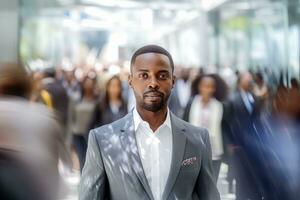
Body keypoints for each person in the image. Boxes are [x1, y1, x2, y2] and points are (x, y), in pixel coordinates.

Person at [79, 45, 220, 200]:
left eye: (162, 76)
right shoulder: (102, 140)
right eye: (144, 76)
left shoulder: (198, 139)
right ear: (130, 81)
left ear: (173, 81)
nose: (153, 83)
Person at [183, 74, 224, 181]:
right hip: (194, 151)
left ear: (214, 88)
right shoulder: (192, 103)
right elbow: (183, 124)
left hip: (214, 151)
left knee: (211, 183)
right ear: (199, 87)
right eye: (205, 86)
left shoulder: (219, 106)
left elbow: (223, 128)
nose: (208, 89)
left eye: (211, 86)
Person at [70, 74, 98, 171]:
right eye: (86, 84)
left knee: (90, 160)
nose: (88, 86)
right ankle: (82, 179)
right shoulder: (77, 98)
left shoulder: (97, 99)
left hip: (91, 134)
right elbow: (72, 116)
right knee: (82, 158)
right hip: (77, 133)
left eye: (90, 84)